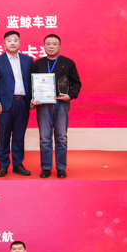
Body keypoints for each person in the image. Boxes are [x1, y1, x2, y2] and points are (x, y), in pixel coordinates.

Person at [31, 34, 81, 178]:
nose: (51, 46)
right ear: (43, 46)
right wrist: (33, 100)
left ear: (59, 46)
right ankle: (46, 168)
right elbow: (31, 84)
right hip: (43, 105)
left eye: (54, 44)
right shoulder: (37, 64)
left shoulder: (68, 63)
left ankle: (61, 167)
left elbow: (76, 83)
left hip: (61, 103)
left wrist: (70, 95)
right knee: (44, 138)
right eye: (48, 44)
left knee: (61, 137)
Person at [0, 31, 34, 177]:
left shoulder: (28, 60)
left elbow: (32, 82)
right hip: (5, 104)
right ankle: (3, 165)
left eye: (15, 40)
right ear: (4, 44)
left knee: (19, 135)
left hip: (23, 103)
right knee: (4, 135)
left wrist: (33, 99)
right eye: (9, 40)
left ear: (20, 43)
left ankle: (18, 164)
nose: (12, 43)